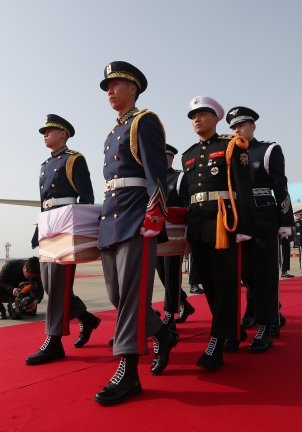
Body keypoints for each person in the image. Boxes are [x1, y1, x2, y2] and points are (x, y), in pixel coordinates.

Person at [94, 61, 177, 406]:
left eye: (115, 84)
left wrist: (154, 215)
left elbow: (157, 173)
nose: (110, 91)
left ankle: (128, 372)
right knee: (118, 295)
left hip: (135, 216)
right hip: (111, 218)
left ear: (133, 87)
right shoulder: (113, 132)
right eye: (108, 87)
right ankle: (162, 332)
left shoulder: (145, 122)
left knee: (131, 298)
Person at [180, 96, 254, 367]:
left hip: (224, 224)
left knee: (225, 283)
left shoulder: (231, 146)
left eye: (202, 114)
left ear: (216, 118)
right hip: (198, 224)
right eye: (193, 116)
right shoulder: (187, 155)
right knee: (208, 283)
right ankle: (231, 330)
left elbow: (244, 190)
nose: (197, 119)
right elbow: (188, 196)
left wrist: (244, 227)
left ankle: (216, 339)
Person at [25, 114, 101, 366]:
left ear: (63, 134)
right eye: (44, 131)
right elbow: (42, 200)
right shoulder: (44, 165)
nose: (45, 135)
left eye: (49, 130)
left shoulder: (74, 159)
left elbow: (86, 197)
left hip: (66, 223)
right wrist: (39, 229)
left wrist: (80, 230)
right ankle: (87, 319)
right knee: (50, 284)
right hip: (48, 224)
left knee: (58, 285)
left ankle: (54, 340)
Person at [227, 105, 292, 352]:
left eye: (241, 125)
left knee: (265, 273)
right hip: (239, 219)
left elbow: (280, 186)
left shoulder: (268, 150)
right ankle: (262, 309)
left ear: (253, 126)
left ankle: (267, 324)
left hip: (264, 217)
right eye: (233, 127)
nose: (237, 130)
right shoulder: (230, 153)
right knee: (246, 272)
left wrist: (286, 220)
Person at [155, 144, 195, 330]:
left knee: (172, 274)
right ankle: (184, 303)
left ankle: (169, 313)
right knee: (162, 274)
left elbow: (189, 205)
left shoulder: (179, 177)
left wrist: (188, 234)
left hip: (174, 234)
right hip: (156, 232)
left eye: (166, 157)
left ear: (171, 158)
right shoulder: (152, 179)